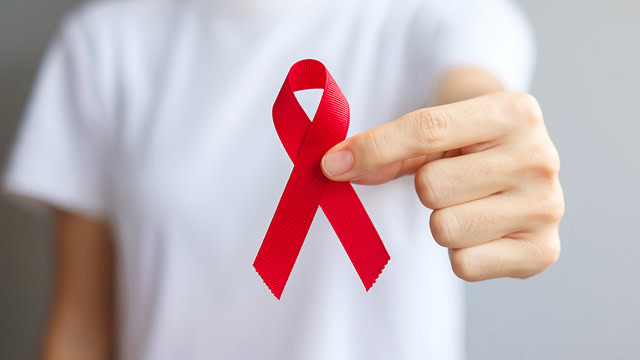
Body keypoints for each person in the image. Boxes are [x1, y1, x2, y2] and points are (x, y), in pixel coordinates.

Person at [3, 0, 564, 359]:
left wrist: (492, 141)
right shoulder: (103, 45)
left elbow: (474, 92)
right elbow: (79, 328)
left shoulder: (446, 16)